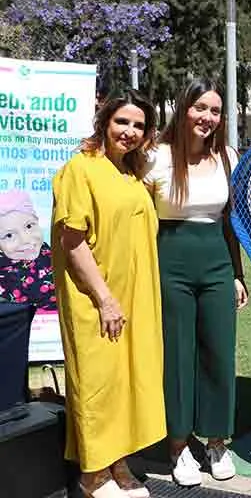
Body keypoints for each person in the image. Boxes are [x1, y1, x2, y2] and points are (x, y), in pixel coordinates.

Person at [51, 90, 164, 498]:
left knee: (124, 383)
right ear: (104, 122)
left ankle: (118, 463)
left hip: (133, 299)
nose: (130, 132)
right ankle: (92, 474)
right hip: (95, 298)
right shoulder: (80, 169)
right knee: (96, 383)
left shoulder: (130, 174)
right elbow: (73, 240)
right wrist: (104, 298)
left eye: (138, 125)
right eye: (122, 122)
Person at [144, 78, 249, 486]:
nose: (208, 117)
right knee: (178, 356)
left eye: (215, 110)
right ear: (183, 107)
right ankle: (178, 445)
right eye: (200, 107)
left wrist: (238, 274)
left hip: (217, 263)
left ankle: (217, 440)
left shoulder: (227, 156)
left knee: (220, 353)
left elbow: (233, 223)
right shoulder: (155, 157)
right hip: (169, 260)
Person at [0, 190, 55, 312]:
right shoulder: (4, 277)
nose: (25, 239)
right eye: (9, 235)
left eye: (29, 226)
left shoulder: (49, 253)